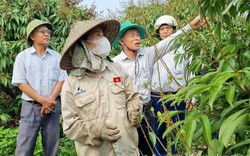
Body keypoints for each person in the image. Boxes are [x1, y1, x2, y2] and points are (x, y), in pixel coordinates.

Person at [112, 15, 206, 155]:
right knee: (132, 147)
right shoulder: (115, 64)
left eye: (137, 35)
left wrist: (190, 26)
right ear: (122, 41)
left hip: (147, 108)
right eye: (132, 36)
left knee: (151, 145)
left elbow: (169, 42)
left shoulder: (148, 54)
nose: (137, 38)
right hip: (127, 113)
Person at [59, 19, 142, 155]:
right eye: (98, 35)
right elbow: (70, 125)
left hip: (127, 150)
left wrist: (135, 110)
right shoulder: (72, 83)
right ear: (84, 44)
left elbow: (134, 97)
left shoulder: (117, 70)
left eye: (103, 35)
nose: (103, 39)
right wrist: (96, 130)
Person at [12, 19, 67, 156]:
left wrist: (50, 101)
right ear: (32, 36)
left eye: (48, 31)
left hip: (53, 106)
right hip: (30, 107)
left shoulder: (57, 57)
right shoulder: (23, 57)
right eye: (42, 31)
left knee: (52, 147)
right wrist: (43, 100)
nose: (47, 34)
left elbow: (62, 79)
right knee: (24, 148)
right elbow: (21, 82)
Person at [151, 15, 195, 155]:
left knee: (179, 129)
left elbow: (191, 74)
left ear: (174, 29)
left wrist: (192, 97)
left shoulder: (184, 50)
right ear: (158, 33)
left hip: (178, 95)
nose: (165, 31)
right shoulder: (154, 51)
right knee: (159, 130)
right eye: (162, 29)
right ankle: (160, 154)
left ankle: (179, 153)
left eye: (168, 28)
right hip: (158, 96)